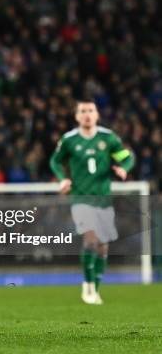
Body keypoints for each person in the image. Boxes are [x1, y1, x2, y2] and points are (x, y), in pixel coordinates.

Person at [50, 99, 134, 305]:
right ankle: (87, 286)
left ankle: (95, 289)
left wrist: (124, 168)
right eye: (83, 111)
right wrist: (63, 178)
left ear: (97, 114)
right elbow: (55, 161)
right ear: (77, 116)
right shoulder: (69, 140)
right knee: (91, 239)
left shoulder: (108, 138)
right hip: (81, 197)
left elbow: (126, 157)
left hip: (103, 198)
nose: (87, 114)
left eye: (91, 110)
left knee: (103, 246)